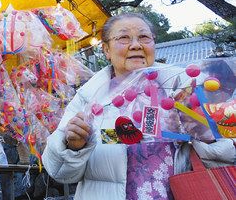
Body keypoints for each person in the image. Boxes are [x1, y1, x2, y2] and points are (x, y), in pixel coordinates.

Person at [42, 13, 235, 199]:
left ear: (154, 44)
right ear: (106, 50)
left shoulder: (183, 91)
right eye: (124, 38)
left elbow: (226, 157)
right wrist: (73, 146)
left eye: (144, 37)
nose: (136, 45)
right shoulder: (89, 97)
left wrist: (206, 135)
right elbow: (60, 172)